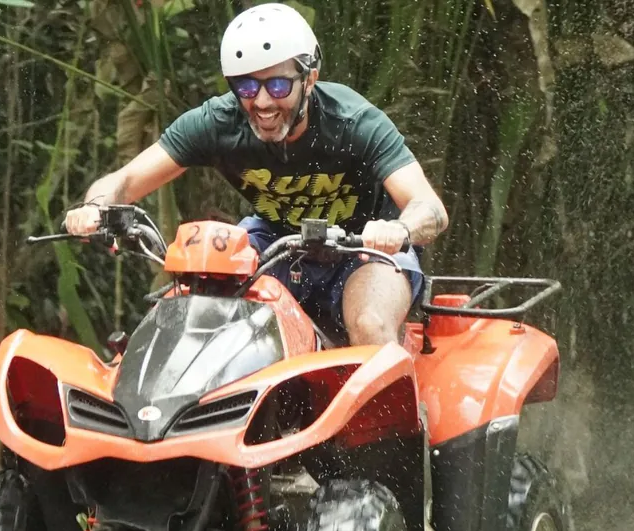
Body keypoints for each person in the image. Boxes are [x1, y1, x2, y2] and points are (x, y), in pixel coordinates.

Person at [64, 3, 449, 346]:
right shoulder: (217, 121)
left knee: (369, 324)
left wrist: (397, 230)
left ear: (309, 79)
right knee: (189, 309)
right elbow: (125, 181)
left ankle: (394, 427)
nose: (262, 102)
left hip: (363, 248)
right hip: (274, 245)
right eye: (246, 86)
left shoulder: (353, 123)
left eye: (278, 84)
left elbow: (429, 209)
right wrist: (95, 208)